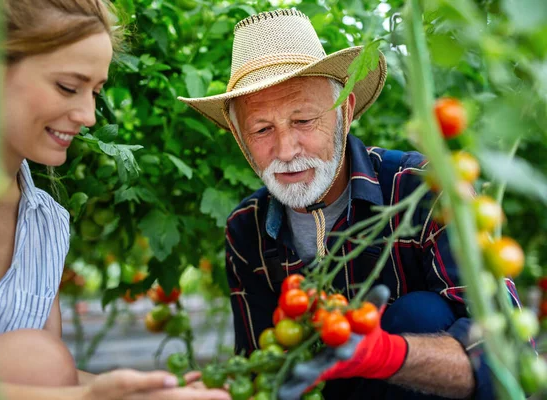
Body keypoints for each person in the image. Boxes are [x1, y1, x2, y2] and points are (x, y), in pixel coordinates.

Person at [178, 9, 522, 400]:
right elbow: (263, 365)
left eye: (304, 121)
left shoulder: (424, 188)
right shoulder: (246, 230)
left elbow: (507, 355)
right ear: (241, 140)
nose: (286, 151)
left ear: (344, 112)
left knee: (420, 315)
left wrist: (385, 354)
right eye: (261, 129)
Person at [0, 1, 230, 400]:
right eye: (68, 86)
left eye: (96, 91)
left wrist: (152, 391)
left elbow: (46, 379)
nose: (89, 114)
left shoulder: (49, 224)